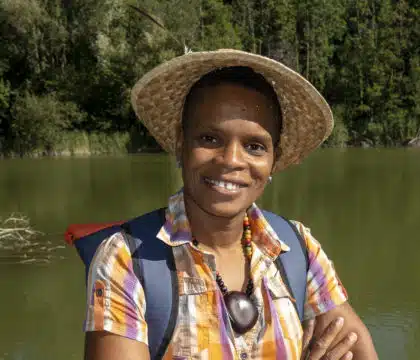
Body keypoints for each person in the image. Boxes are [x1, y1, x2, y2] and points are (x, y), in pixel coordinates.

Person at [82, 49, 378, 360]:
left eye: (254, 146)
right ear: (181, 146)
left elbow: (358, 349)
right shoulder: (126, 259)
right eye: (210, 139)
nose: (231, 160)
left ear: (272, 161)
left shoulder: (298, 248)